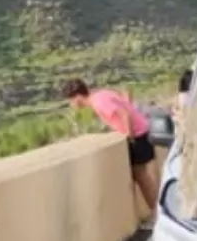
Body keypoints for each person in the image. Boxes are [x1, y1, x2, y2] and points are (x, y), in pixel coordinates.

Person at [62, 78, 159, 221]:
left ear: (77, 97)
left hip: (137, 135)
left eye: (70, 101)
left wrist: (129, 135)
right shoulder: (101, 95)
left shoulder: (99, 102)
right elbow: (125, 102)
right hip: (142, 131)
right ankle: (157, 212)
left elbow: (124, 114)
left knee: (141, 176)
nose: (71, 105)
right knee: (142, 175)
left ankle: (157, 213)